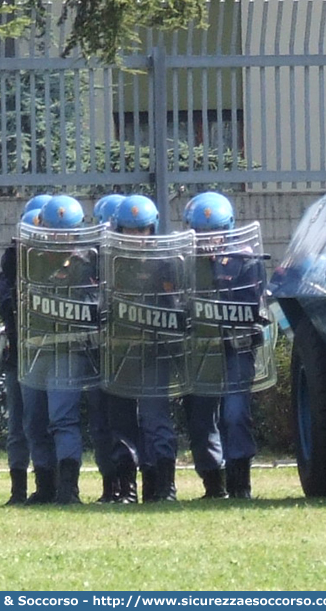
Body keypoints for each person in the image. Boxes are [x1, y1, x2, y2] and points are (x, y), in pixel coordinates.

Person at [184, 191, 264, 499]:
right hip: (200, 349)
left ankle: (240, 483)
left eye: (215, 232)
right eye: (202, 232)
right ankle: (212, 482)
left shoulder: (245, 260)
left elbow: (253, 306)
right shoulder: (181, 261)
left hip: (236, 347)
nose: (208, 239)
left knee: (234, 414)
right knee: (200, 418)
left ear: (228, 228)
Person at [19, 194, 94, 504]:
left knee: (63, 419)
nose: (61, 239)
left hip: (67, 350)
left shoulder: (90, 261)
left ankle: (68, 489)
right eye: (54, 232)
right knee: (34, 422)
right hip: (33, 349)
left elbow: (95, 305)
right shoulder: (28, 257)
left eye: (67, 233)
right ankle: (45, 487)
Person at [113, 194, 181, 503]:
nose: (137, 236)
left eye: (143, 230)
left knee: (156, 420)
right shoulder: (109, 262)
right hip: (120, 354)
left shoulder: (166, 262)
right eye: (131, 230)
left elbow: (177, 306)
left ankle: (163, 486)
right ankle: (126, 488)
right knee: (122, 423)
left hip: (154, 352)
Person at [0, 195, 55, 505]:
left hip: (50, 354)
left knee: (46, 421)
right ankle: (18, 490)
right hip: (19, 354)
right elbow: (4, 301)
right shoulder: (11, 262)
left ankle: (52, 485)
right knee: (19, 424)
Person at [84, 193, 141, 503]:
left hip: (125, 352)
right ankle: (110, 487)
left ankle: (128, 489)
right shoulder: (87, 261)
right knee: (99, 425)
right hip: (97, 351)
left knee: (122, 423)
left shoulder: (135, 262)